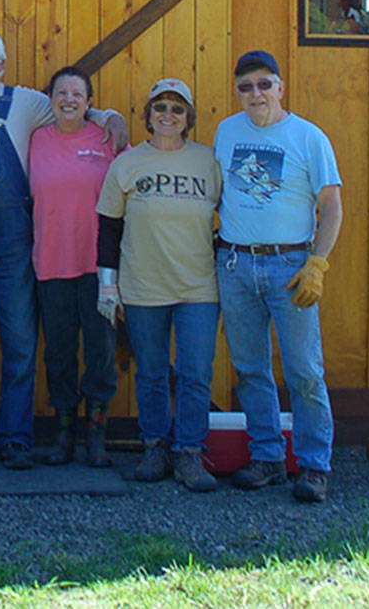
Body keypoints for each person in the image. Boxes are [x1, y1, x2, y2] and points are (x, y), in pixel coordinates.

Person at [0, 25, 127, 467]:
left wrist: (111, 116)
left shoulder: (28, 103)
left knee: (19, 340)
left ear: (1, 62)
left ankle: (14, 437)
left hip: (15, 240)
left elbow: (74, 108)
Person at [211, 50, 342, 504]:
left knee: (305, 372)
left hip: (291, 268)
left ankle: (313, 466)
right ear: (237, 92)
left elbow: (331, 207)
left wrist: (317, 263)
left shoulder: (308, 137)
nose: (255, 94)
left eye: (265, 84)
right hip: (235, 265)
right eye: (246, 87)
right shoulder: (226, 132)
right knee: (250, 370)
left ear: (281, 87)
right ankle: (267, 457)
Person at [96, 77, 224, 490]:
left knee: (195, 372)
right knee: (150, 372)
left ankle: (189, 453)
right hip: (142, 287)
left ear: (188, 118)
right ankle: (154, 446)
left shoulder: (208, 161)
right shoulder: (128, 164)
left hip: (199, 289)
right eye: (160, 108)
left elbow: (233, 216)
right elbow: (108, 228)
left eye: (177, 109)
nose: (168, 115)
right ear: (148, 116)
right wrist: (107, 285)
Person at [26, 65, 118, 465]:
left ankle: (95, 437)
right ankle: (64, 434)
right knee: (59, 353)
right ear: (50, 100)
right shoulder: (34, 140)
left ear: (89, 102)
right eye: (61, 93)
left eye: (77, 94)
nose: (68, 100)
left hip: (100, 269)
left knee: (100, 351)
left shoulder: (109, 139)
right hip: (50, 263)